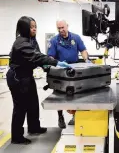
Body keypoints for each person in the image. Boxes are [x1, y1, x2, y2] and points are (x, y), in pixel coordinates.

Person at [6, 16, 71, 145]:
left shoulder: (31, 40)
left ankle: (34, 127)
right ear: (24, 28)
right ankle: (17, 137)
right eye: (31, 27)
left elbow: (38, 57)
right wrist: (56, 62)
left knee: (33, 103)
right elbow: (36, 56)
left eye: (35, 26)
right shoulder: (21, 43)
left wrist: (47, 67)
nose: (34, 29)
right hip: (17, 77)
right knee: (20, 107)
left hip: (27, 76)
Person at [47, 20, 90, 129]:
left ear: (67, 26)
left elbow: (83, 50)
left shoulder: (75, 38)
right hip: (61, 71)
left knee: (76, 93)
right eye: (59, 28)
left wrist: (86, 60)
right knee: (59, 94)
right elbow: (50, 57)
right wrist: (54, 64)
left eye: (62, 27)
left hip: (75, 69)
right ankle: (60, 116)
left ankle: (75, 115)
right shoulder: (54, 41)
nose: (61, 30)